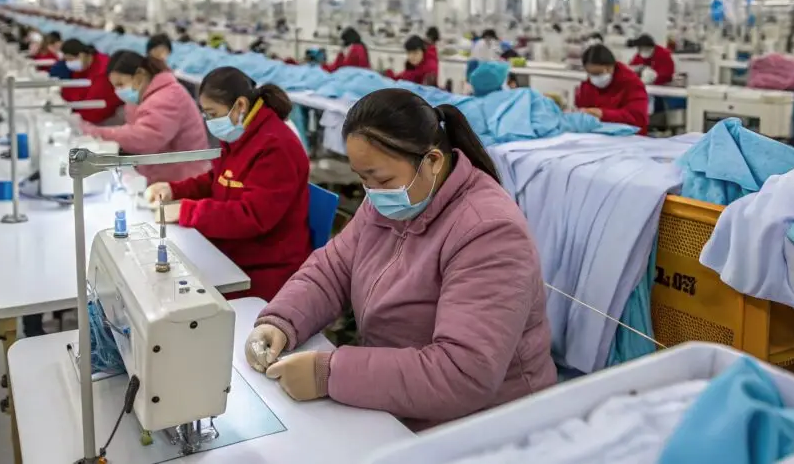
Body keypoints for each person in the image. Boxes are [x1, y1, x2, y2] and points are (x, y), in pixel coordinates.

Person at [244, 89, 555, 429]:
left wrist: (329, 374)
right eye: (364, 179)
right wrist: (280, 320)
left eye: (382, 179)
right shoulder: (392, 198)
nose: (372, 191)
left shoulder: (490, 233)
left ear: (433, 161)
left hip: (484, 425)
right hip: (400, 398)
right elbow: (332, 269)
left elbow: (463, 374)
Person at [146, 67, 311, 301]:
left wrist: (188, 211)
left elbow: (253, 216)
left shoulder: (275, 147)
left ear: (240, 106)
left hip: (266, 268)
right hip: (234, 251)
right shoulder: (242, 134)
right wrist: (175, 190)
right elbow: (219, 179)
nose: (210, 122)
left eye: (212, 114)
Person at [78, 50, 211, 183]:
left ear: (140, 75)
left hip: (184, 181)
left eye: (120, 84)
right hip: (161, 173)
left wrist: (96, 132)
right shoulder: (144, 96)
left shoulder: (168, 97)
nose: (118, 91)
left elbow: (144, 138)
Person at [575, 44, 649, 133]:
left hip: (629, 138)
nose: (596, 78)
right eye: (591, 74)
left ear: (611, 67)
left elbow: (638, 118)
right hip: (597, 137)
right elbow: (581, 109)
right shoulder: (588, 85)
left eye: (599, 73)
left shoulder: (632, 84)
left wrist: (602, 114)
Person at [58, 39, 125, 124]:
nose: (69, 63)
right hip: (90, 111)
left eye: (71, 60)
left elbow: (94, 108)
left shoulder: (102, 70)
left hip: (109, 114)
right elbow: (72, 91)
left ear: (82, 55)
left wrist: (75, 116)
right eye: (66, 60)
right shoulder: (83, 67)